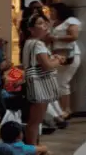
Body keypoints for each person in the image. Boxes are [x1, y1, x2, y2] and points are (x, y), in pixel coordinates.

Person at [20, 14, 62, 145]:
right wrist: (57, 60)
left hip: (34, 83)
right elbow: (47, 66)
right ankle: (32, 148)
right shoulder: (37, 44)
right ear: (31, 29)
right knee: (35, 121)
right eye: (40, 23)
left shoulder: (29, 43)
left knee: (33, 121)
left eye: (45, 23)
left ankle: (33, 147)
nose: (44, 26)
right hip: (39, 85)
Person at [48, 3, 80, 120]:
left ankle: (66, 109)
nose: (50, 13)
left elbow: (74, 36)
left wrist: (56, 38)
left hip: (69, 54)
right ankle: (61, 109)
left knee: (63, 82)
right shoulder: (53, 23)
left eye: (52, 11)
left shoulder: (71, 21)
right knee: (58, 82)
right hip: (57, 54)